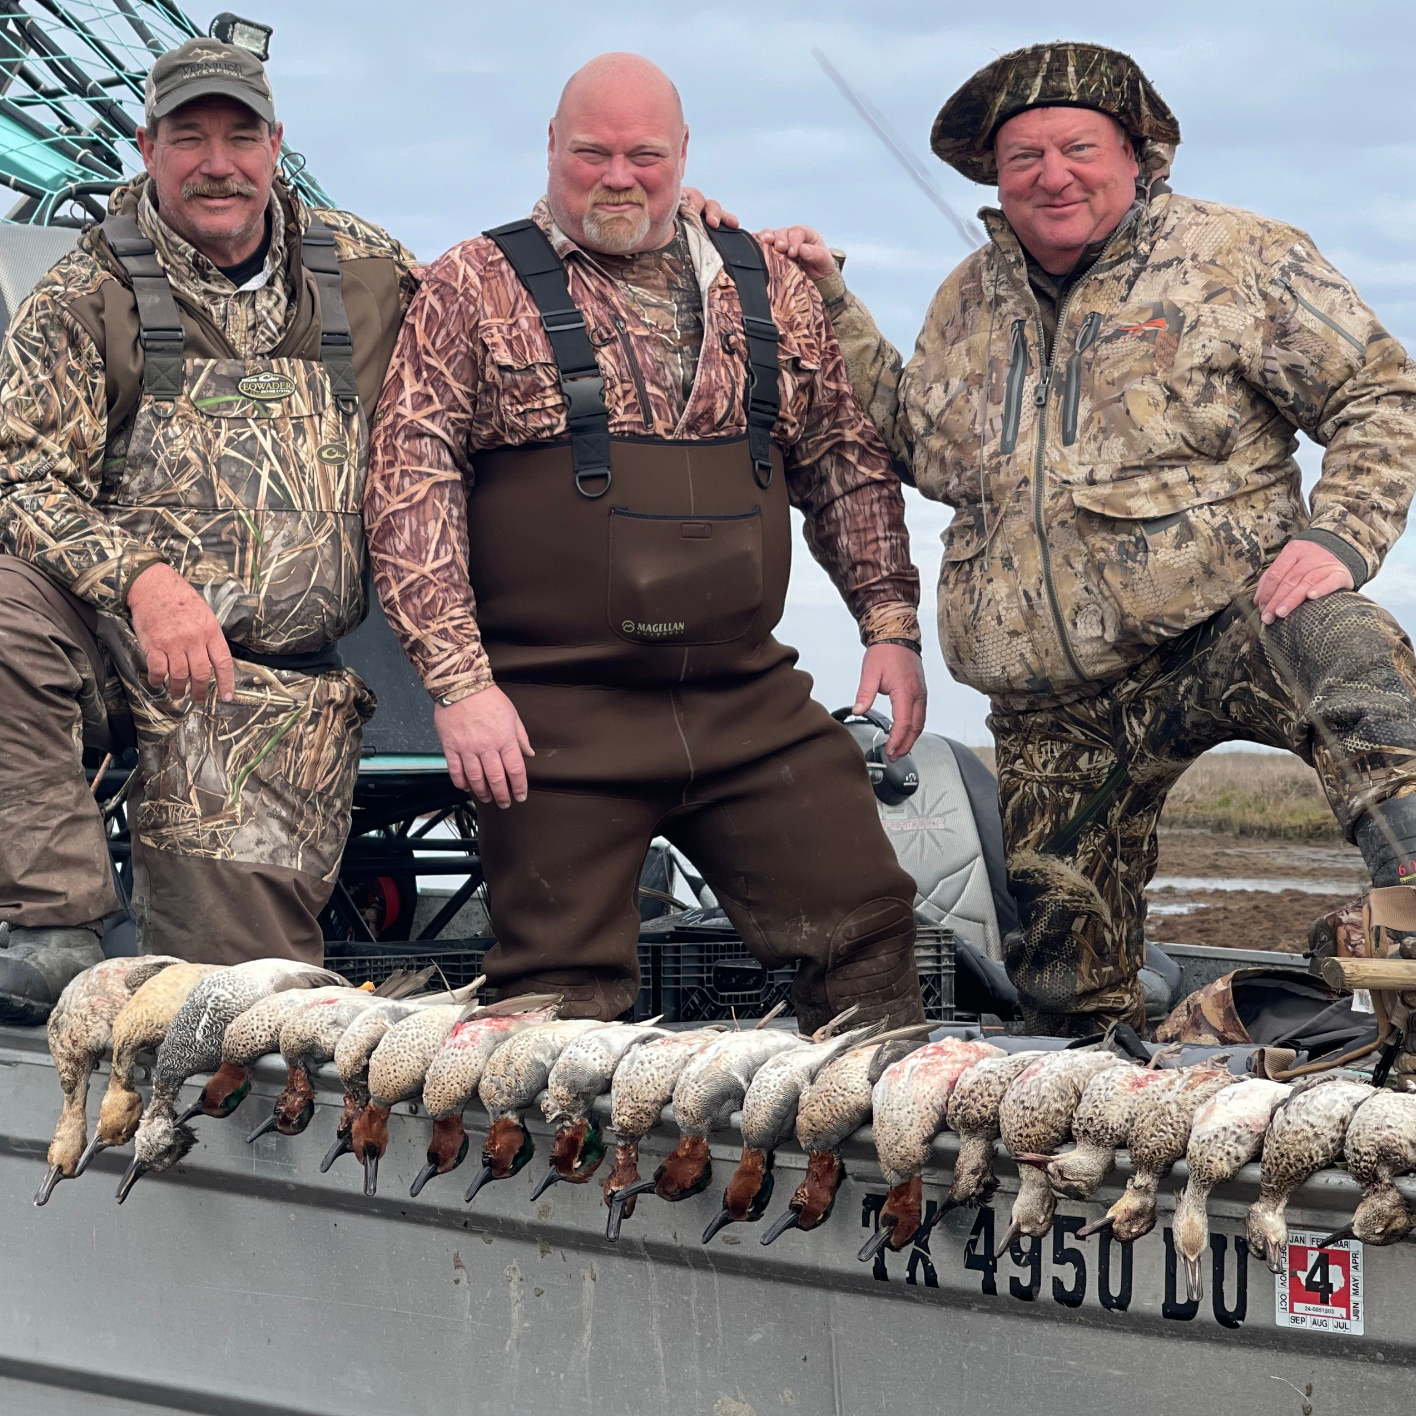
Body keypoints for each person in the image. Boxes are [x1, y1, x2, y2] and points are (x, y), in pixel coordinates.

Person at [761, 41, 1416, 1035]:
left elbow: (1377, 392)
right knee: (1066, 994)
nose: (1052, 174)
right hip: (1056, 700)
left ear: (1137, 153)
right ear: (995, 175)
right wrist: (827, 298)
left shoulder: (1241, 260)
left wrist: (1344, 535)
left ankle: (1411, 938)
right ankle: (1094, 1113)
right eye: (1023, 156)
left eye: (1078, 147)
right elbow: (923, 447)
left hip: (1229, 624)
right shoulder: (965, 299)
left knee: (1347, 646)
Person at [366, 52, 928, 1029]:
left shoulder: (770, 284)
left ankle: (884, 1158)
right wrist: (460, 687)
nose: (617, 176)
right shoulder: (472, 283)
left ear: (682, 155)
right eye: (591, 153)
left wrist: (889, 623)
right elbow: (409, 485)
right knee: (556, 996)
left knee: (867, 931)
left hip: (745, 699)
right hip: (553, 713)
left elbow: (843, 459)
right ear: (550, 147)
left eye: (644, 155)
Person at [0, 38, 417, 1019]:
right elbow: (20, 480)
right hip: (117, 647)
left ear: (276, 145)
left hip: (269, 696)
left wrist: (686, 231)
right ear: (147, 146)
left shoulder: (368, 272)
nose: (217, 161)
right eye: (189, 136)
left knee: (236, 1021)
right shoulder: (81, 294)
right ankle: (56, 916)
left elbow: (506, 317)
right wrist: (145, 582)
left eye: (240, 135)